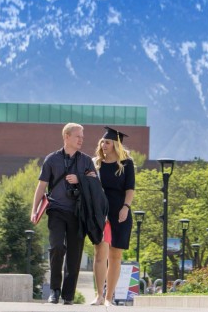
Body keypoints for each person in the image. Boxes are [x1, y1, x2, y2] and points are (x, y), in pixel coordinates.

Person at [31, 123, 96, 305]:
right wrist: (34, 210)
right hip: (56, 210)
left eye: (82, 137)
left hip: (78, 212)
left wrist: (79, 179)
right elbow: (42, 186)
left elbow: (95, 184)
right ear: (66, 136)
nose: (81, 139)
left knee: (74, 255)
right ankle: (54, 290)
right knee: (57, 247)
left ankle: (68, 296)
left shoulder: (86, 161)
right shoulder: (52, 159)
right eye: (78, 136)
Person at [91, 127, 135, 306]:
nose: (104, 145)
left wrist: (126, 207)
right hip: (101, 213)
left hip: (120, 213)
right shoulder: (95, 164)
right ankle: (99, 295)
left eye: (107, 142)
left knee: (115, 255)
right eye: (102, 142)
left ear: (115, 145)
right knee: (100, 253)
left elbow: (130, 189)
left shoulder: (127, 164)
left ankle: (109, 297)